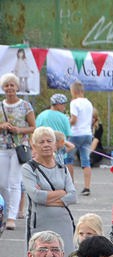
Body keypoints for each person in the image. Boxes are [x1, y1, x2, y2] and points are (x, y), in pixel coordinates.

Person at [21, 126, 76, 246]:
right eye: (41, 142)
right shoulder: (28, 168)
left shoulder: (63, 168)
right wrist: (62, 193)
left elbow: (73, 196)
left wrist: (46, 198)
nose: (46, 145)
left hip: (63, 223)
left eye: (49, 141)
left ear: (55, 145)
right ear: (34, 146)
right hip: (39, 225)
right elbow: (36, 196)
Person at [1, 72, 36, 231]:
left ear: (17, 87)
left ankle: (11, 217)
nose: (9, 88)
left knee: (14, 182)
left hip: (19, 148)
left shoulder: (25, 105)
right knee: (2, 183)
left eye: (12, 85)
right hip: (2, 147)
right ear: (3, 88)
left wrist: (18, 129)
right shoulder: (1, 105)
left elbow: (33, 127)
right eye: (6, 85)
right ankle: (6, 209)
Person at [67, 81, 93, 196]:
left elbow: (74, 120)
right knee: (86, 161)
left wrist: (66, 122)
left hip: (75, 134)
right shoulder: (88, 103)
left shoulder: (74, 103)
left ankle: (70, 185)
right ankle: (87, 187)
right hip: (87, 133)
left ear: (73, 91)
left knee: (68, 159)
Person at [34, 94, 72, 168]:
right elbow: (68, 134)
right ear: (58, 104)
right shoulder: (64, 117)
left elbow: (35, 133)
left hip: (43, 150)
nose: (64, 107)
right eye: (63, 104)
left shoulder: (41, 115)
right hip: (60, 151)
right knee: (65, 168)